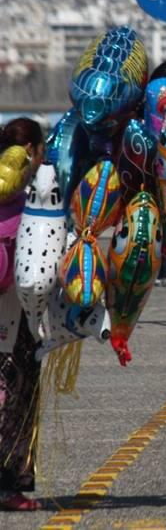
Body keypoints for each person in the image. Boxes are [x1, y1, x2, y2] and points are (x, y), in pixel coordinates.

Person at [0, 118, 46, 512]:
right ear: (31, 149)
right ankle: (7, 484)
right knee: (13, 396)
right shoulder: (33, 197)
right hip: (18, 315)